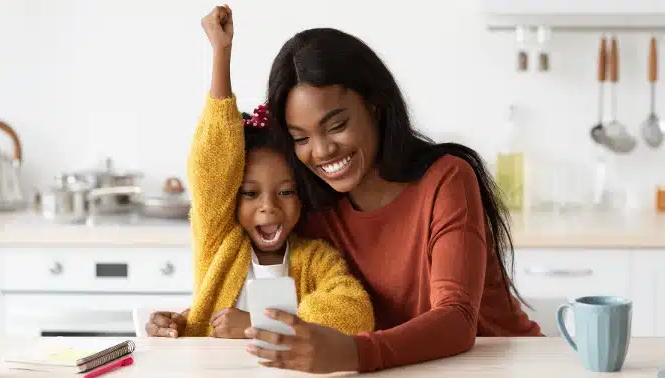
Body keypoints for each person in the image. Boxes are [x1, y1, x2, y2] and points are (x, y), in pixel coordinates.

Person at [238, 23, 544, 373]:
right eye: (300, 137)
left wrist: (353, 353)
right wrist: (191, 320)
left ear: (375, 106)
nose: (321, 151)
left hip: (508, 365)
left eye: (336, 126)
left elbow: (457, 320)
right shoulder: (312, 206)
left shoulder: (447, 179)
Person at [145, 5, 374, 342]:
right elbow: (213, 165)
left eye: (285, 191)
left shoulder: (316, 260)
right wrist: (221, 53)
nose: (269, 207)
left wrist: (259, 325)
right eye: (250, 193)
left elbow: (354, 312)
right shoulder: (219, 244)